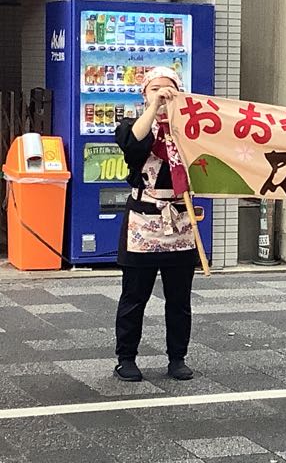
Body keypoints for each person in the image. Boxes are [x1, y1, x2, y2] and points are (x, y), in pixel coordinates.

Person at [113, 66, 196, 382]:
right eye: (155, 89)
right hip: (143, 219)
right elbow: (134, 144)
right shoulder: (131, 125)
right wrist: (154, 108)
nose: (162, 93)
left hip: (179, 218)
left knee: (179, 299)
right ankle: (126, 358)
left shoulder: (189, 130)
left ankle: (177, 357)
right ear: (144, 94)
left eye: (169, 88)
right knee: (134, 296)